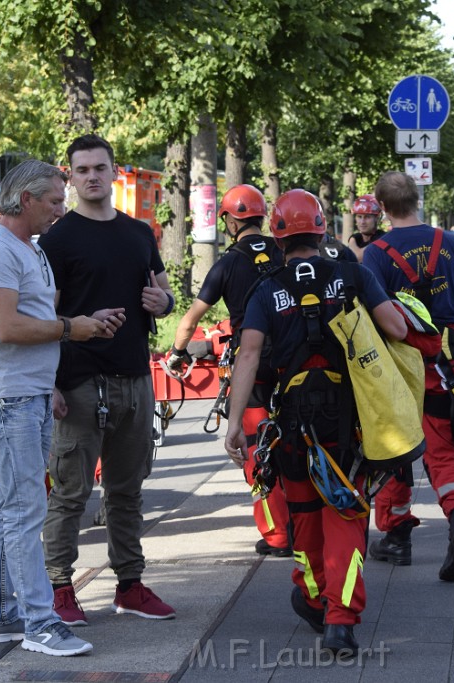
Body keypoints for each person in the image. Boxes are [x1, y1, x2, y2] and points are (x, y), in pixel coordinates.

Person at [224, 189, 406, 655]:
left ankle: (312, 595)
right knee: (345, 511)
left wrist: (233, 424)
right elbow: (398, 329)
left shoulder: (266, 289)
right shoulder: (354, 274)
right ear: (323, 228)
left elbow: (247, 355)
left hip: (291, 423)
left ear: (279, 235)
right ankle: (341, 621)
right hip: (348, 422)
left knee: (304, 515)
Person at [0, 160, 110, 657]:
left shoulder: (24, 248)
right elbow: (6, 328)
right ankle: (39, 622)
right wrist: (74, 327)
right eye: (53, 200)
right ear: (24, 199)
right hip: (7, 398)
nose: (61, 208)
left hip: (21, 393)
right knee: (26, 512)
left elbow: (23, 324)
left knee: (10, 509)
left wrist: (47, 379)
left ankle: (0, 615)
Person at [39, 134, 176, 625]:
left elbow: (160, 292)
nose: (92, 176)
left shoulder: (139, 233)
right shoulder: (57, 240)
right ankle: (58, 588)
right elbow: (42, 317)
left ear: (114, 171)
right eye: (82, 170)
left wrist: (167, 302)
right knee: (71, 493)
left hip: (135, 378)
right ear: (70, 176)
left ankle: (130, 586)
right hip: (78, 383)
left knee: (127, 491)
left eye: (100, 167)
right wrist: (49, 383)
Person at [362, 171, 454, 581]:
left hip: (398, 367)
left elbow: (373, 319)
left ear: (381, 207)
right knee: (446, 452)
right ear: (418, 199)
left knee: (394, 448)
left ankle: (396, 536)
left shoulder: (375, 253)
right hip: (445, 364)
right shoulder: (447, 242)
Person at [166, 184, 291, 557]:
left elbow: (190, 322)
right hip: (294, 359)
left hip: (253, 366)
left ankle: (278, 535)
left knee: (256, 447)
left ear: (229, 221)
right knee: (296, 441)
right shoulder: (283, 250)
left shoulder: (226, 264)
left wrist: (176, 353)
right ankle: (306, 523)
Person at [346, 194, 386, 262]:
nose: (362, 222)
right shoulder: (358, 240)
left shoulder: (383, 238)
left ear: (377, 218)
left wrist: (352, 240)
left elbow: (357, 257)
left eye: (367, 217)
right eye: (359, 217)